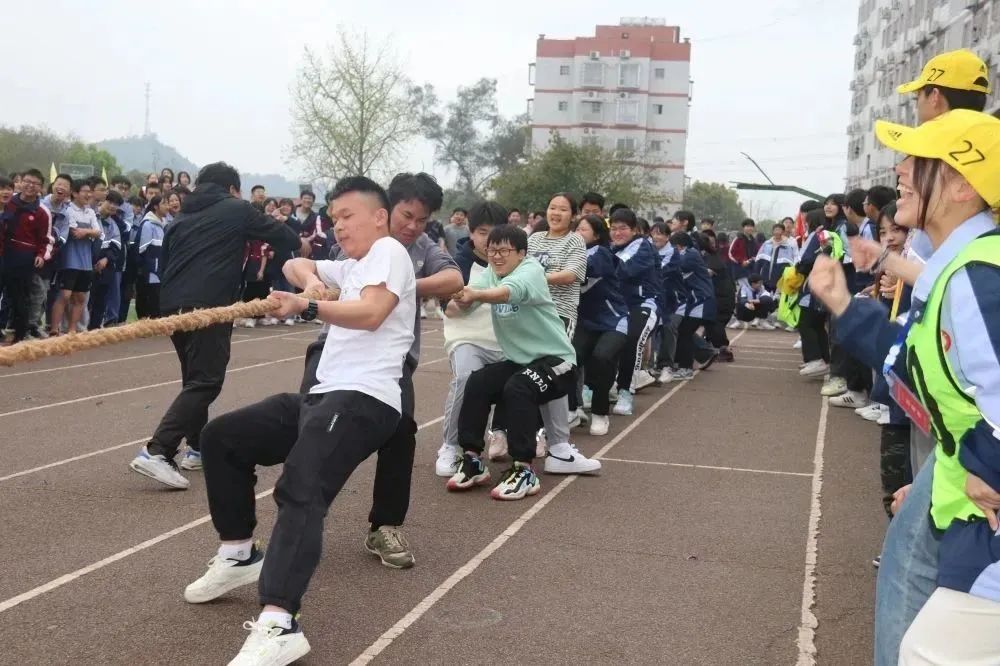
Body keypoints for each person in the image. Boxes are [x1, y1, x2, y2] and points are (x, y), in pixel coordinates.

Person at [183, 176, 415, 666]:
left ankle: (280, 622)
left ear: (379, 216)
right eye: (334, 218)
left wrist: (307, 304)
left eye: (347, 216)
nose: (338, 225)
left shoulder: (390, 251)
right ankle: (240, 552)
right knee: (223, 438)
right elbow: (294, 261)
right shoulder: (351, 264)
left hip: (364, 399)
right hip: (322, 396)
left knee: (302, 487)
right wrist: (310, 279)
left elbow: (373, 313)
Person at [809, 109, 1000, 666]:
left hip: (983, 515)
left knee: (925, 653)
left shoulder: (977, 276)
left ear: (963, 183)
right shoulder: (962, 265)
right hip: (962, 504)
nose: (900, 169)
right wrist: (844, 305)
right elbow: (914, 365)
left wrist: (985, 467)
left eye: (917, 159)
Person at [299, 171, 462, 569]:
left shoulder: (420, 247)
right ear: (384, 212)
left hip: (391, 363)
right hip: (334, 354)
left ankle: (385, 525)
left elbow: (454, 277)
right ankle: (297, 520)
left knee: (401, 431)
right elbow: (309, 268)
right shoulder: (358, 242)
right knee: (308, 429)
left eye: (422, 220)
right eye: (407, 215)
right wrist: (309, 283)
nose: (413, 226)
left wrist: (404, 286)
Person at [129, 162, 305, 489]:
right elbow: (286, 236)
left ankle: (196, 449)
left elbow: (166, 263)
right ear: (233, 189)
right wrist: (295, 247)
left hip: (173, 307)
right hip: (209, 306)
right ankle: (157, 450)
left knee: (194, 380)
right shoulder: (236, 209)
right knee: (206, 381)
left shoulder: (179, 218)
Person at [447, 224, 600, 500]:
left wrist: (474, 296)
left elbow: (508, 292)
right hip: (520, 361)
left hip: (557, 362)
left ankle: (524, 469)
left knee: (518, 388)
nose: (496, 257)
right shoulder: (492, 274)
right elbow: (465, 298)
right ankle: (471, 458)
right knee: (479, 382)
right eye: (492, 251)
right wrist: (458, 297)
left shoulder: (531, 271)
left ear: (521, 253)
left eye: (504, 251)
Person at [436, 201, 507, 476]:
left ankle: (550, 442)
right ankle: (450, 446)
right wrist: (470, 298)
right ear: (471, 231)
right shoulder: (458, 264)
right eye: (481, 232)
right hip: (468, 338)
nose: (488, 240)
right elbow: (449, 309)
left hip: (508, 341)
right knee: (466, 377)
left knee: (537, 373)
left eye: (494, 232)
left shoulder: (516, 262)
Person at [573, 214, 628, 435]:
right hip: (587, 321)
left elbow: (582, 274)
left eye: (583, 230)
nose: (578, 233)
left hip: (613, 320)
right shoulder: (573, 253)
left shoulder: (601, 253)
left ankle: (600, 413)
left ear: (596, 235)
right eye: (576, 229)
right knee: (569, 358)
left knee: (602, 357)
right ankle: (572, 409)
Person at [608, 207, 660, 416]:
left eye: (623, 228)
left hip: (644, 304)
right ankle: (597, 387)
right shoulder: (612, 249)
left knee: (633, 339)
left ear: (634, 230)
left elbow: (624, 269)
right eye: (613, 229)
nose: (617, 233)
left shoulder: (641, 246)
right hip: (620, 306)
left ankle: (625, 393)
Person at [0, 169, 51, 344]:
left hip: (24, 258)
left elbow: (46, 239)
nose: (30, 185)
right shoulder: (8, 202)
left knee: (20, 297)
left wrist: (40, 255)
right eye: (27, 181)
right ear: (20, 182)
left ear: (41, 187)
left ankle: (21, 335)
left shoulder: (42, 212)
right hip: (4, 253)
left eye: (35, 183)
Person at [49, 179, 101, 336]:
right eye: (85, 191)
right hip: (69, 260)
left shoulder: (91, 212)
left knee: (80, 297)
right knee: (64, 295)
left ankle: (72, 330)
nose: (88, 194)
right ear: (75, 193)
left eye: (89, 191)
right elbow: (73, 232)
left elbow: (99, 233)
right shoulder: (68, 210)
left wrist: (87, 232)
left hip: (86, 262)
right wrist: (90, 231)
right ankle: (54, 329)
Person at [671, 231, 716, 380]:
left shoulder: (689, 255)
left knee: (684, 332)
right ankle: (693, 359)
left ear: (678, 245)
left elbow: (674, 267)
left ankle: (685, 368)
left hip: (701, 300)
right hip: (696, 300)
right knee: (683, 331)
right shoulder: (688, 253)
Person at [89, 191, 123, 330]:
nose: (113, 206)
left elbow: (116, 246)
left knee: (101, 299)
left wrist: (106, 259)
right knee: (85, 299)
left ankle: (95, 328)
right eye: (111, 202)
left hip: (105, 267)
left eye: (116, 205)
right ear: (103, 201)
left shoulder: (113, 224)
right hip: (88, 264)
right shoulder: (91, 217)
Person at [728, 218, 759, 291]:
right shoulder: (738, 239)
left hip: (751, 271)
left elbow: (757, 254)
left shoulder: (754, 241)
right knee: (743, 292)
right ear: (743, 228)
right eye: (747, 226)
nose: (749, 228)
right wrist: (741, 261)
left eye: (751, 226)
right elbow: (731, 253)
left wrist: (752, 260)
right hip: (740, 271)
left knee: (751, 291)